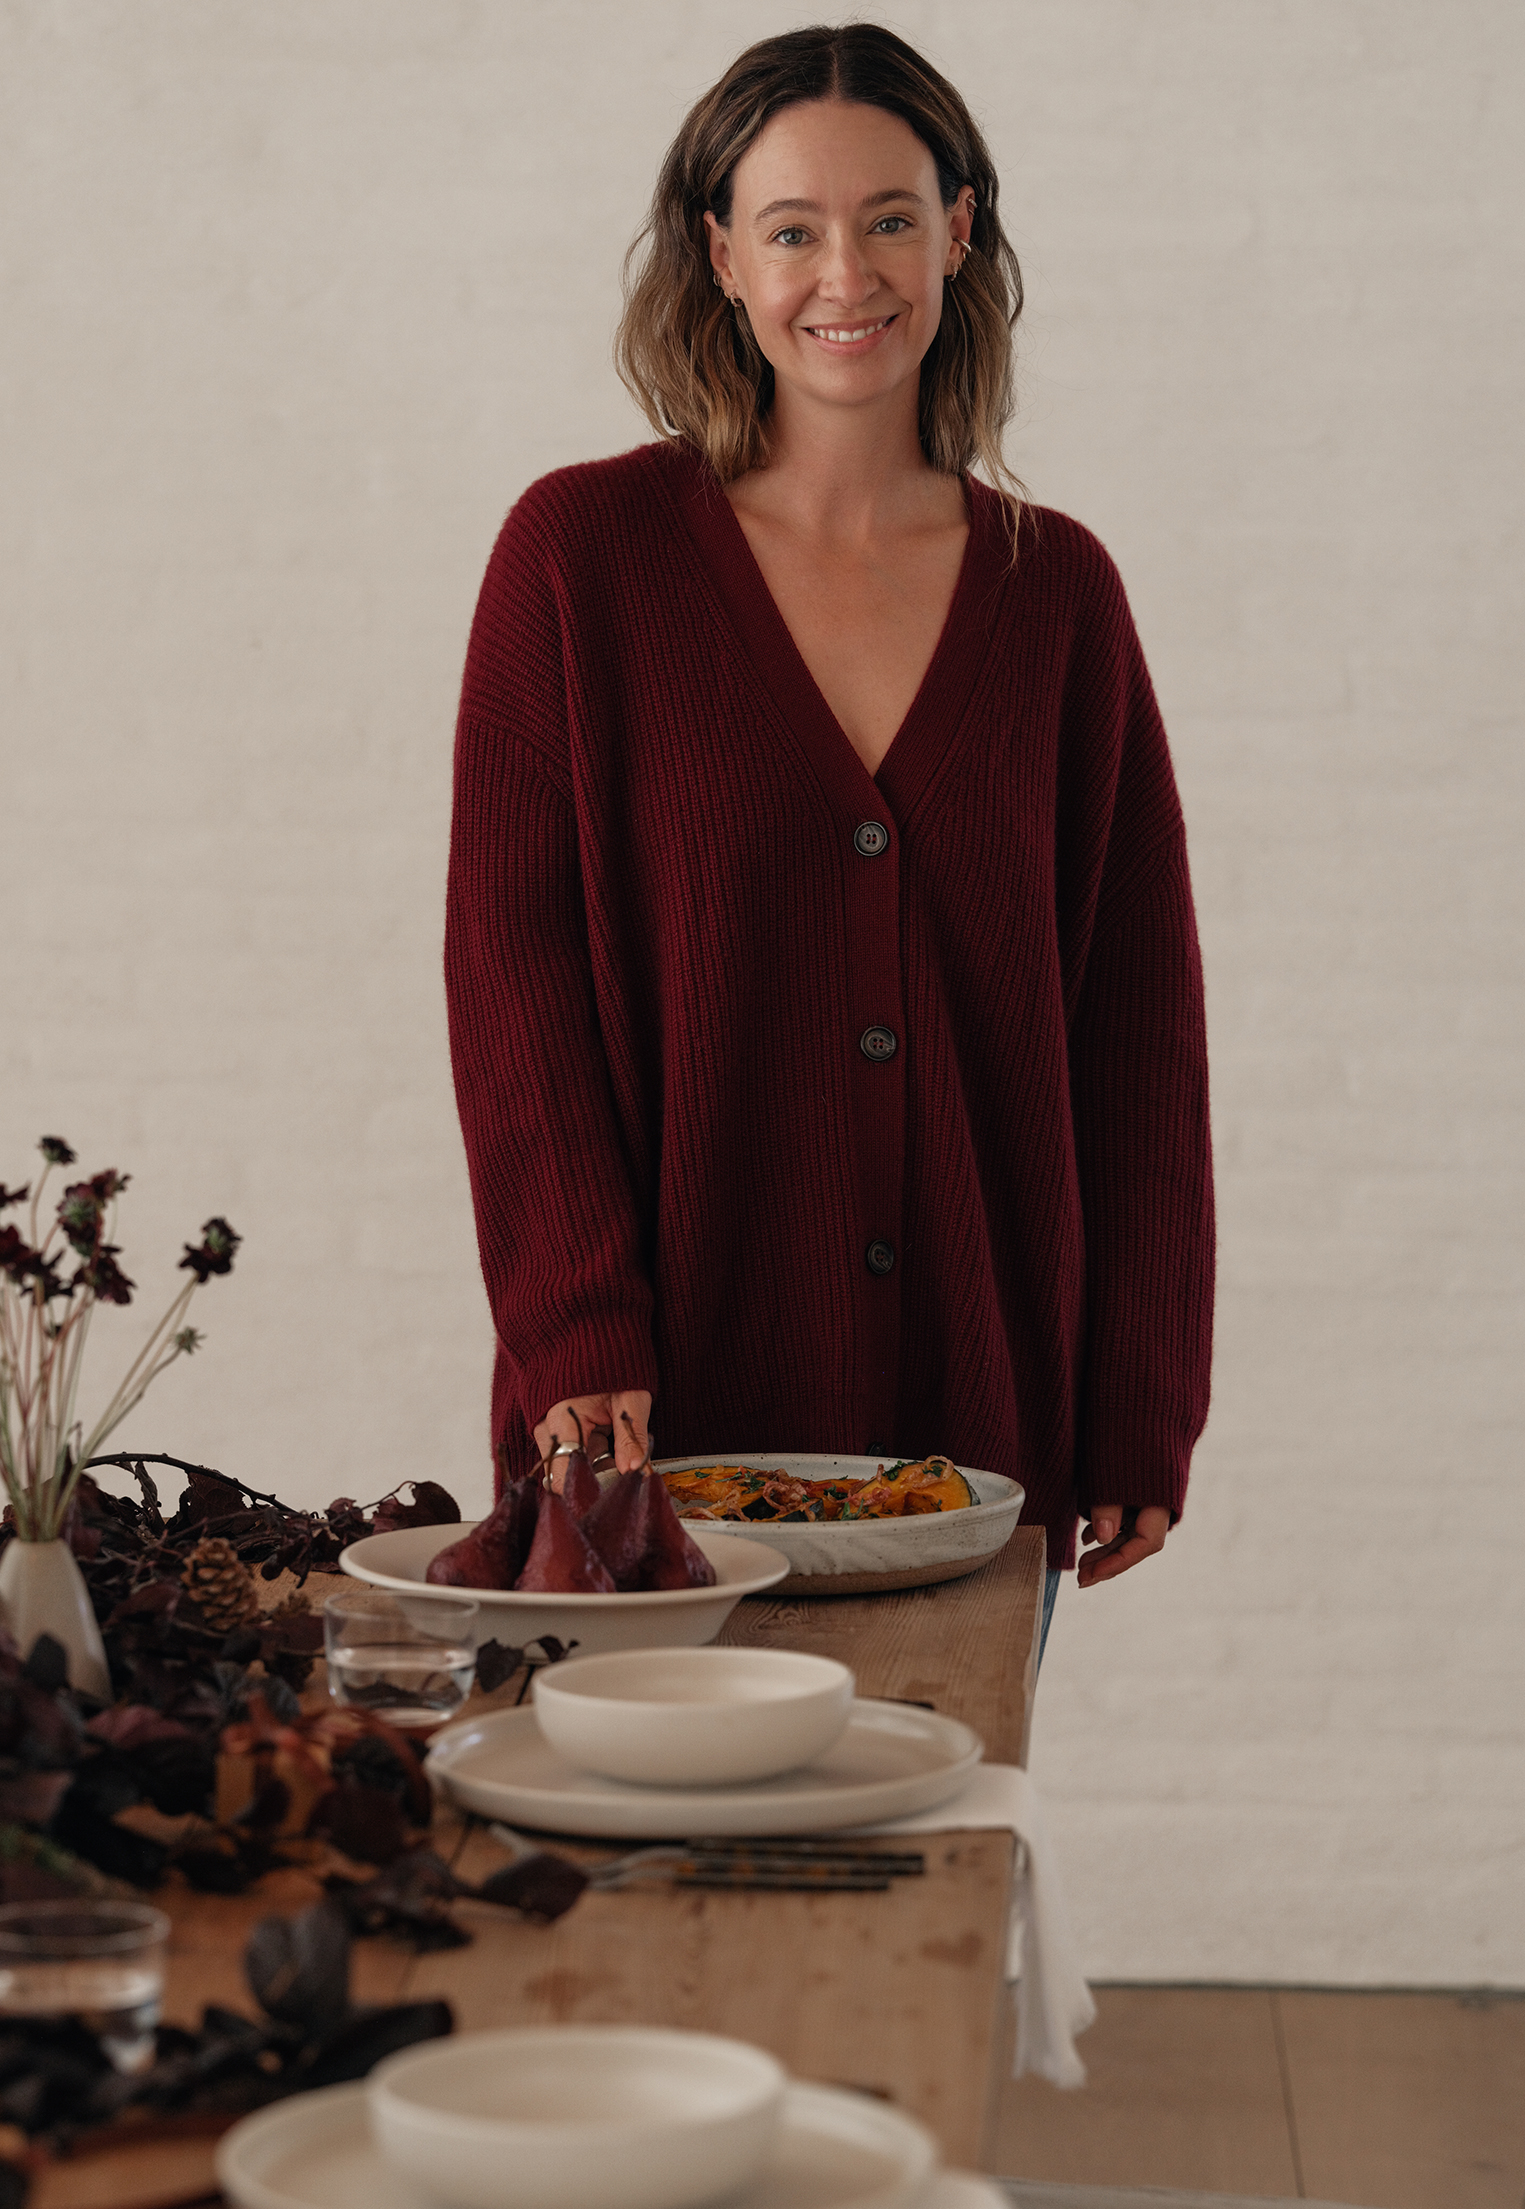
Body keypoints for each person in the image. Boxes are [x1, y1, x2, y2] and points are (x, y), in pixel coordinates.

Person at [443, 24, 1213, 1633]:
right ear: (721, 256)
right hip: (651, 1438)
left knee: (936, 1866)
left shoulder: (1056, 597)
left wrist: (1140, 1389)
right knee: (636, 1867)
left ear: (961, 230)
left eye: (888, 217)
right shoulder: (580, 564)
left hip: (973, 1443)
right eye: (791, 227)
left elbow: (1136, 1025)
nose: (842, 272)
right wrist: (579, 1325)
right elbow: (516, 983)